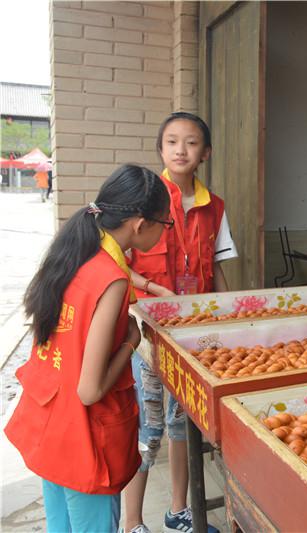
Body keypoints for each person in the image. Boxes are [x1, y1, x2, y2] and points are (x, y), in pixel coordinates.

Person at [5, 165, 170, 533]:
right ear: (140, 224)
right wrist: (132, 341)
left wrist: (149, 288)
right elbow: (90, 389)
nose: (165, 232)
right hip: (84, 441)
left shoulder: (74, 251)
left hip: (52, 429)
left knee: (61, 526)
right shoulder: (111, 280)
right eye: (165, 223)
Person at [122, 112, 235, 533]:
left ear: (205, 153)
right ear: (161, 150)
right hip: (149, 335)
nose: (181, 150)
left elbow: (218, 270)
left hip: (194, 337)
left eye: (191, 143)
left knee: (182, 425)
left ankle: (177, 511)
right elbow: (114, 262)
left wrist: (230, 317)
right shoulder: (143, 201)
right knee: (147, 430)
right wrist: (152, 290)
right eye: (171, 142)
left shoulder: (215, 206)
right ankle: (132, 522)